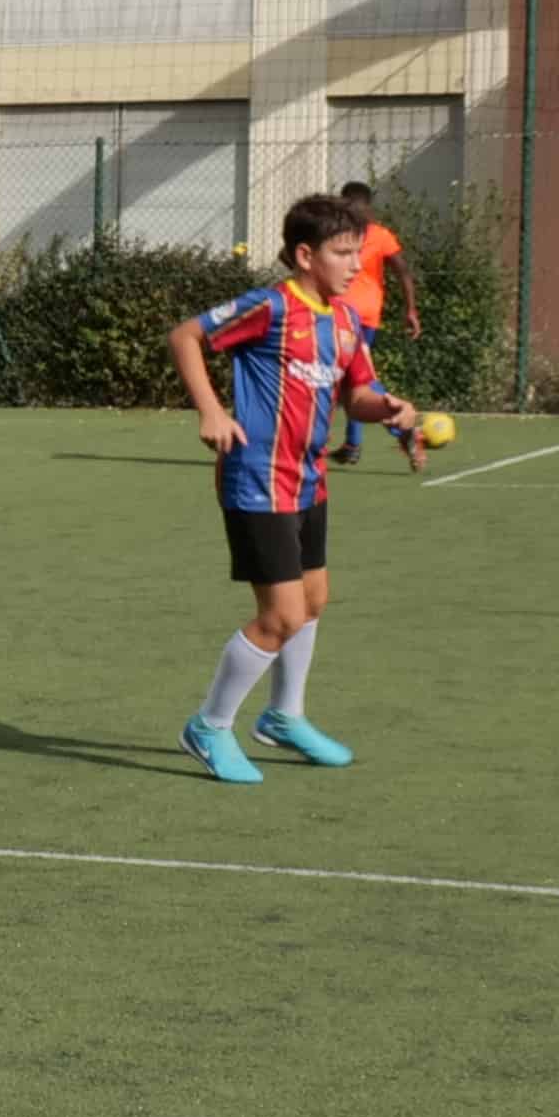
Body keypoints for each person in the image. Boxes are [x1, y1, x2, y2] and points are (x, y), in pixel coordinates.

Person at [169, 197, 430, 781]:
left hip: (309, 482)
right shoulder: (269, 306)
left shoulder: (345, 322)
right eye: (342, 253)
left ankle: (284, 717)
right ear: (306, 255)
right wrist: (211, 411)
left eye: (358, 253)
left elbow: (357, 393)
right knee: (281, 616)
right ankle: (208, 727)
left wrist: (387, 407)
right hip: (257, 480)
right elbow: (185, 336)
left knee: (313, 602)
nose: (356, 266)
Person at [323, 188, 417, 458]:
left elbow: (403, 271)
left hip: (358, 318)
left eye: (359, 206)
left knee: (355, 379)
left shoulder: (379, 236)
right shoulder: (335, 233)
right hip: (338, 314)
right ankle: (352, 444)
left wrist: (411, 308)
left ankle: (401, 426)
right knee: (349, 379)